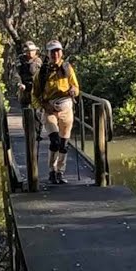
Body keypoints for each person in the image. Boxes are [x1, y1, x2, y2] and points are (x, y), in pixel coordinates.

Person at [32, 40, 79, 185]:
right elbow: (34, 95)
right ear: (48, 53)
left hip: (66, 106)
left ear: (61, 52)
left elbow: (76, 88)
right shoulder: (41, 73)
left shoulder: (67, 68)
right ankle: (52, 171)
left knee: (64, 143)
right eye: (52, 51)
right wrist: (42, 107)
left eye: (57, 51)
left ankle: (60, 172)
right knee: (54, 140)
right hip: (49, 108)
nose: (55, 54)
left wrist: (74, 91)